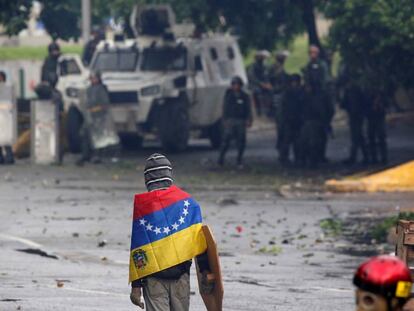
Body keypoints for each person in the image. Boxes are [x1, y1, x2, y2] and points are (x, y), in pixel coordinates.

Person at [130, 153, 210, 311]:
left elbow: (139, 249)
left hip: (154, 281)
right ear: (169, 175)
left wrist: (136, 287)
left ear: (147, 179)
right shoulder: (189, 204)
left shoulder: (143, 207)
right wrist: (207, 273)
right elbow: (200, 244)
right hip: (181, 279)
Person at [302, 45, 334, 163]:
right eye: (311, 53)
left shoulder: (322, 65)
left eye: (315, 53)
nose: (313, 55)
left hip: (322, 99)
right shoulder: (308, 67)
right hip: (311, 101)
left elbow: (325, 81)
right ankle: (313, 157)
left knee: (322, 133)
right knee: (312, 134)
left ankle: (321, 155)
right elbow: (306, 80)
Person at [76, 71, 110, 165]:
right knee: (85, 135)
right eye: (91, 78)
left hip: (98, 116)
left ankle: (97, 156)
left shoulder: (101, 89)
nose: (93, 79)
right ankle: (85, 155)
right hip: (89, 116)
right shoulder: (89, 89)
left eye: (94, 78)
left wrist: (95, 110)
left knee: (98, 137)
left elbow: (104, 104)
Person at [218, 76, 253, 168]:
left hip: (240, 120)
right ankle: (221, 159)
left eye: (237, 84)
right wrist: (224, 120)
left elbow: (248, 109)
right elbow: (225, 108)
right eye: (234, 84)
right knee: (226, 140)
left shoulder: (245, 96)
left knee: (241, 141)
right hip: (231, 120)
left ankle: (239, 159)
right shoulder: (229, 96)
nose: (236, 86)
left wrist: (249, 119)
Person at [278, 74, 305, 165]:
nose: (294, 84)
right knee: (286, 140)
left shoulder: (301, 92)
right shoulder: (287, 93)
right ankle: (284, 158)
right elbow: (283, 108)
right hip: (288, 120)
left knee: (298, 142)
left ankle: (298, 158)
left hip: (298, 119)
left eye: (296, 82)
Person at [340, 77, 369, 165]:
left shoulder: (353, 91)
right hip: (355, 116)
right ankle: (364, 156)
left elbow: (346, 104)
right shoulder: (352, 91)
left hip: (356, 116)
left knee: (356, 137)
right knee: (358, 137)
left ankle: (356, 157)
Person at [268, 51, 290, 147]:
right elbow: (272, 79)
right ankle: (281, 141)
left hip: (281, 93)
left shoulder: (280, 67)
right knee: (280, 121)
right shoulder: (276, 68)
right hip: (278, 94)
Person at [366, 88, 389, 164]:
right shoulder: (368, 95)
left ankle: (384, 158)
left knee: (381, 139)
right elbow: (364, 106)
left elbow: (386, 105)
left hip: (379, 118)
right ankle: (374, 158)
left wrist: (380, 106)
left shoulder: (382, 94)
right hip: (371, 118)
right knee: (371, 139)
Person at [247, 51, 271, 116]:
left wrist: (268, 83)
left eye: (263, 57)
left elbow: (267, 75)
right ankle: (258, 111)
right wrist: (261, 84)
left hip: (265, 84)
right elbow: (252, 77)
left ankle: (269, 110)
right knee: (257, 92)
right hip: (255, 85)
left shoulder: (266, 65)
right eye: (260, 57)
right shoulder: (253, 66)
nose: (262, 59)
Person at [0, 71, 15, 164]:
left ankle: (8, 158)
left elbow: (9, 104)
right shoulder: (7, 89)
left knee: (6, 140)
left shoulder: (7, 89)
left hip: (5, 117)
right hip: (4, 116)